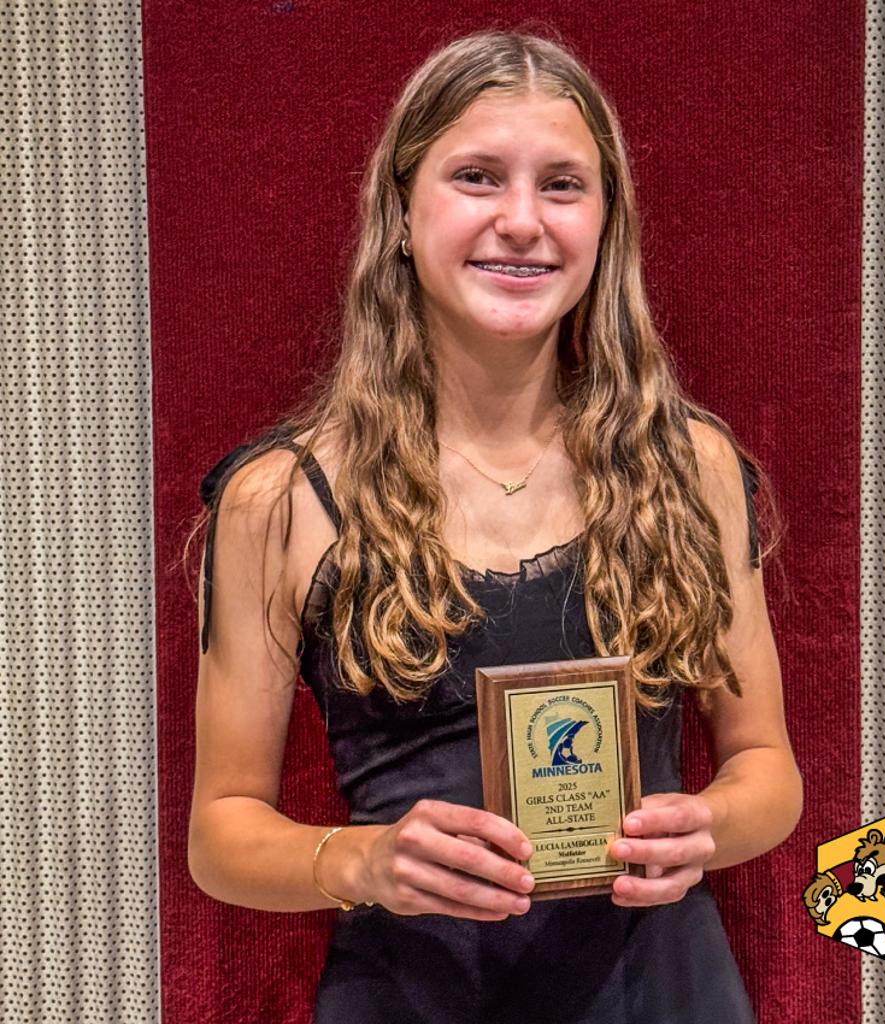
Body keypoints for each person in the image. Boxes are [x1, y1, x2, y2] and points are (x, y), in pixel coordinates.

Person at [186, 28, 802, 1024]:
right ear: (398, 211)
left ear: (607, 224)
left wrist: (710, 825)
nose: (521, 221)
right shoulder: (280, 498)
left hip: (664, 994)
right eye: (476, 177)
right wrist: (365, 858)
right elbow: (220, 836)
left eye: (563, 185)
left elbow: (766, 770)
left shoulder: (690, 467)